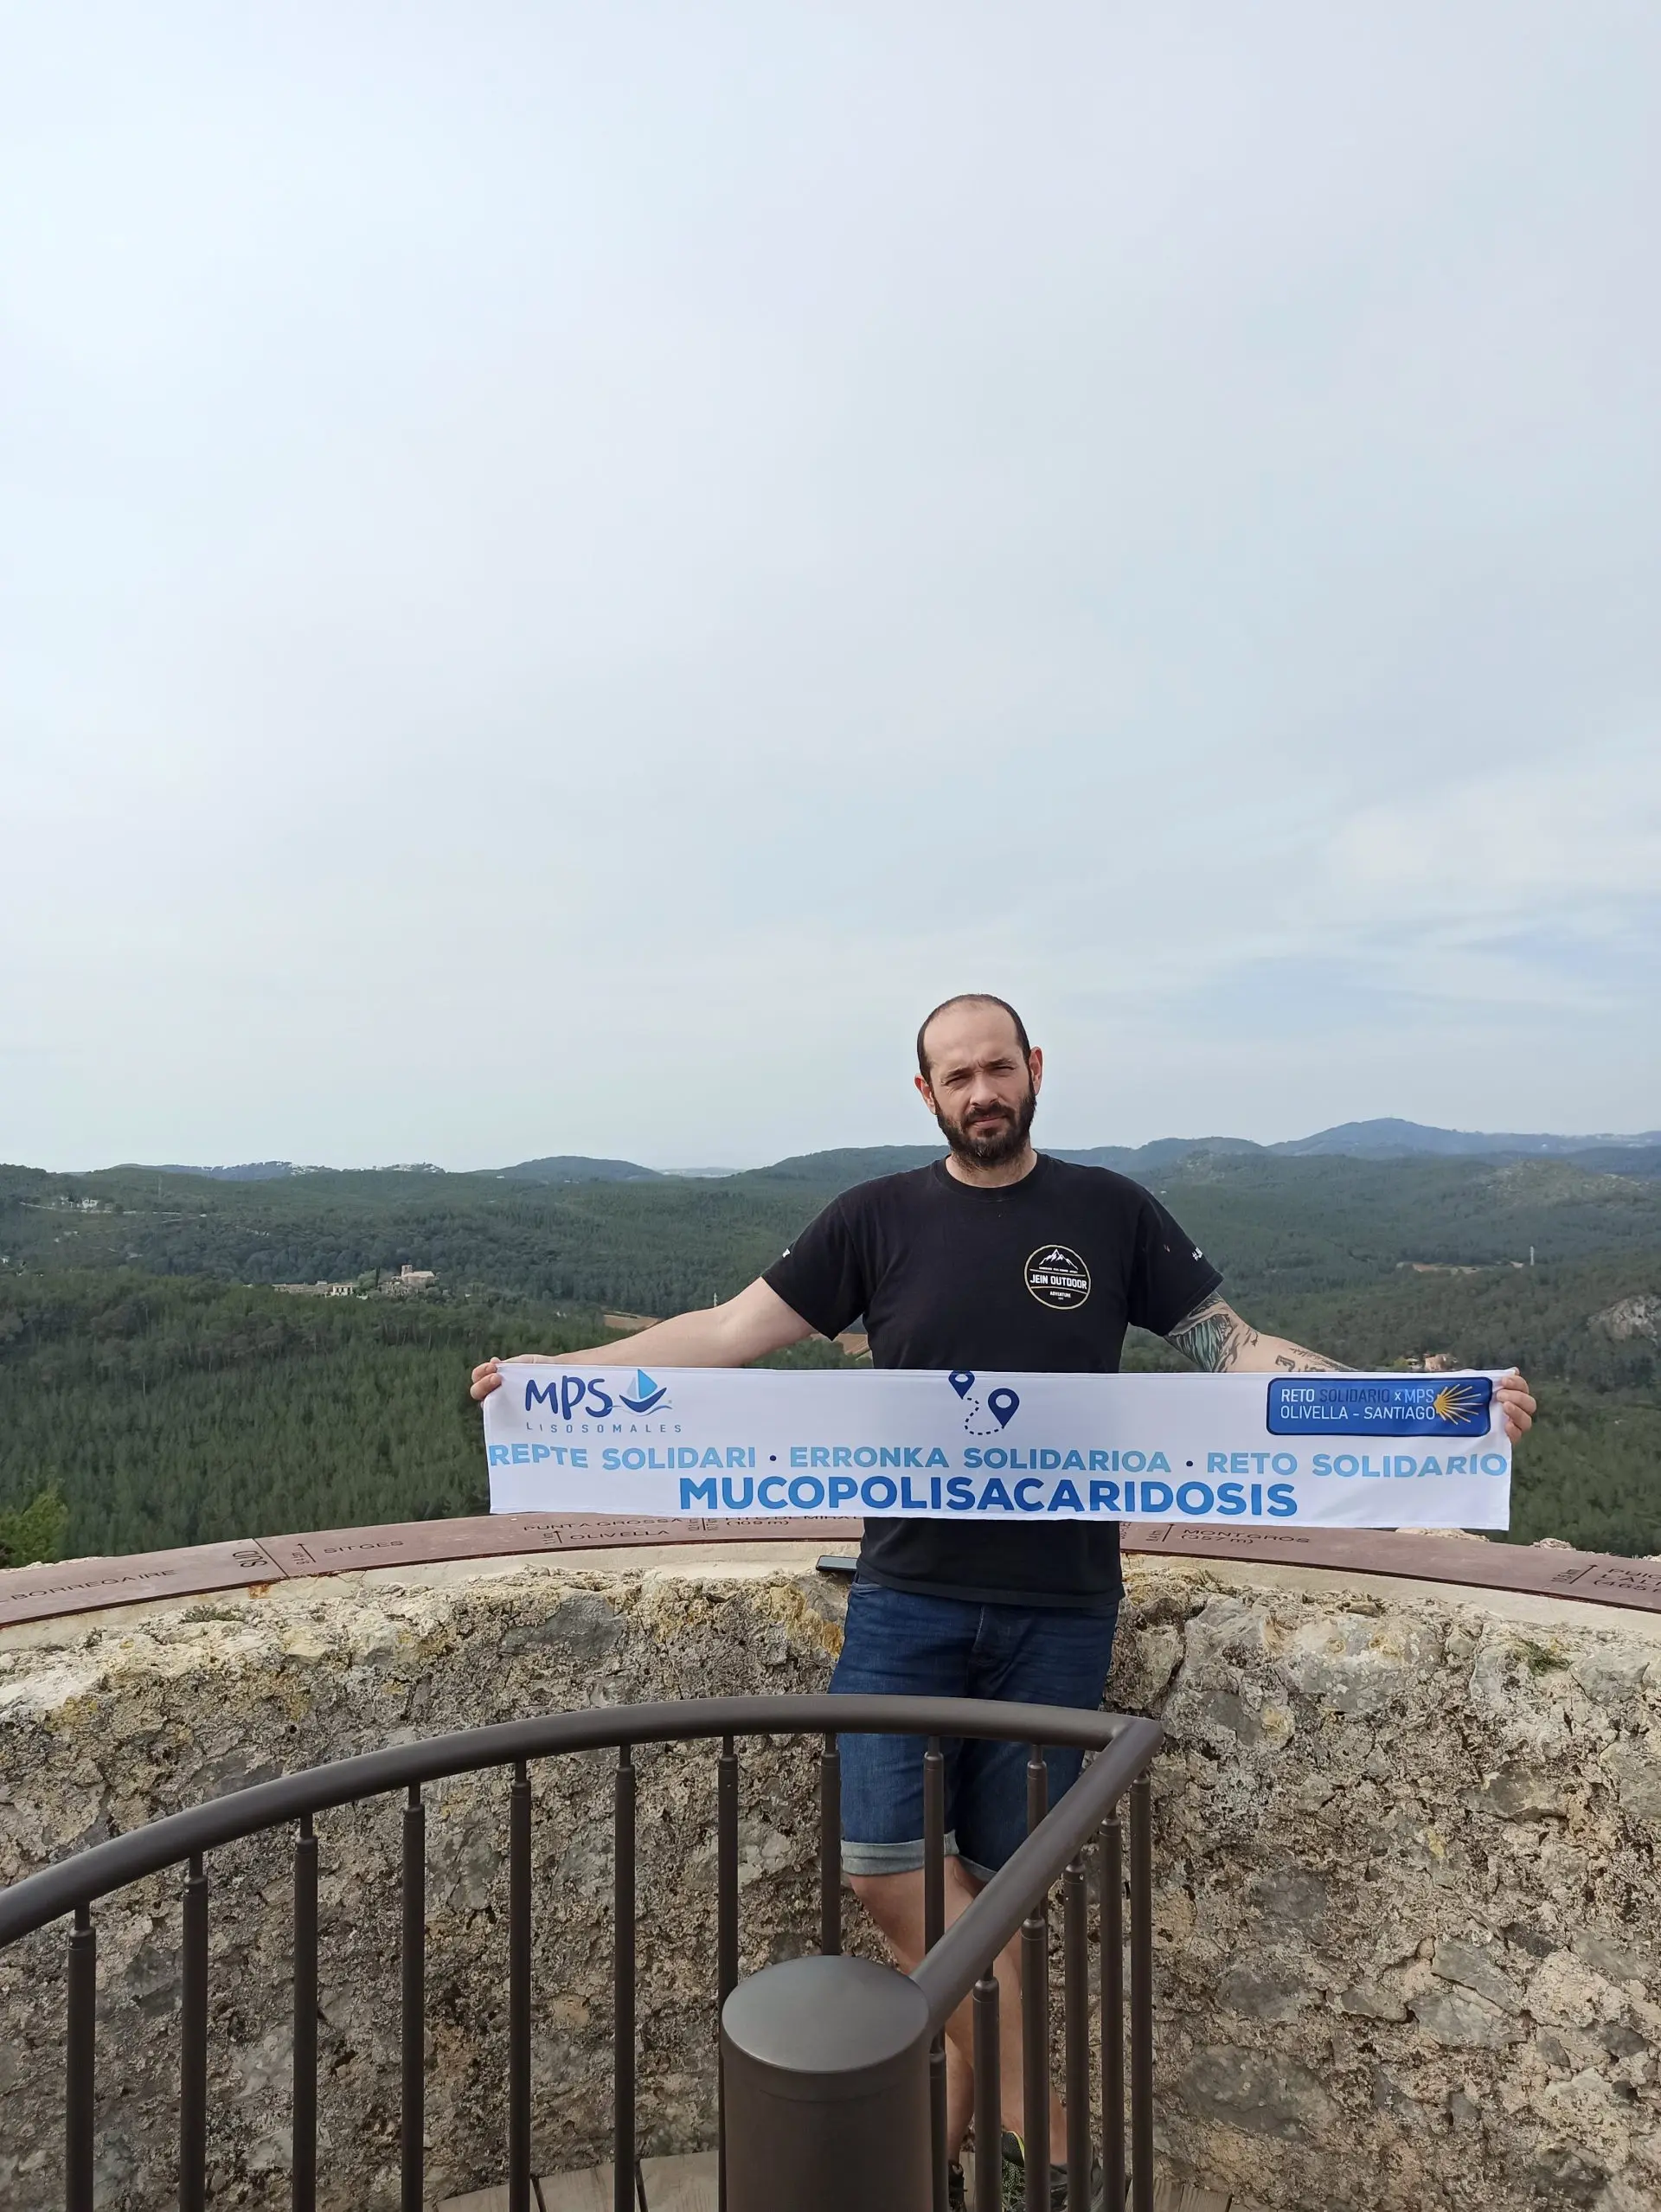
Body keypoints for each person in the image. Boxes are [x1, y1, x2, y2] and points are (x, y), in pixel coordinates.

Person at [471, 993, 1536, 2209]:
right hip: (906, 1597)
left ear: (1033, 1069)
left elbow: (1235, 1352)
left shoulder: (1111, 1212)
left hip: (1061, 1612)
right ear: (925, 1093)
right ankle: (1049, 2128)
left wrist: (1423, 1413)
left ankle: (930, 2167)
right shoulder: (874, 1218)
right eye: (957, 1077)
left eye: (998, 1069)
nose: (982, 1093)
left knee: (996, 1900)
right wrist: (557, 1377)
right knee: (888, 1873)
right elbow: (725, 1333)